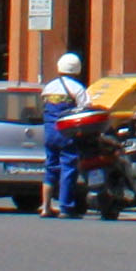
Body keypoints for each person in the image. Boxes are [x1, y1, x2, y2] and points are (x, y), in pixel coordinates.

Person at [40, 53, 95, 217]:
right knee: (68, 168)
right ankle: (66, 207)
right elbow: (87, 108)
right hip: (67, 134)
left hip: (49, 133)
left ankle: (45, 207)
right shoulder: (77, 89)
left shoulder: (48, 88)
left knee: (50, 167)